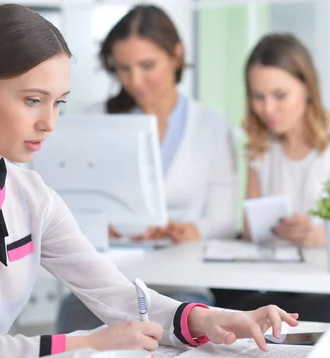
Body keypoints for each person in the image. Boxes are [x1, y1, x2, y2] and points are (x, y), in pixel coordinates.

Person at [0, 6, 298, 358]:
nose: (49, 122)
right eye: (33, 100)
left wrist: (203, 319)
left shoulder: (31, 196)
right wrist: (83, 346)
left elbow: (115, 294)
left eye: (58, 102)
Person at [56, 4, 239, 333]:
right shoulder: (95, 120)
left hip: (181, 285)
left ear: (177, 56)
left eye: (147, 65)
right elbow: (67, 207)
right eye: (123, 68)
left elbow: (225, 221)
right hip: (107, 286)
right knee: (76, 333)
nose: (135, 80)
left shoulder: (210, 126)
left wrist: (187, 229)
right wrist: (100, 226)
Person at [215, 33, 330, 322]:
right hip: (283, 285)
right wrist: (280, 229)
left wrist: (321, 235)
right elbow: (249, 232)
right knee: (225, 309)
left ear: (308, 87)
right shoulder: (260, 145)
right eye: (257, 97)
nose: (268, 109)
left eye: (280, 95)